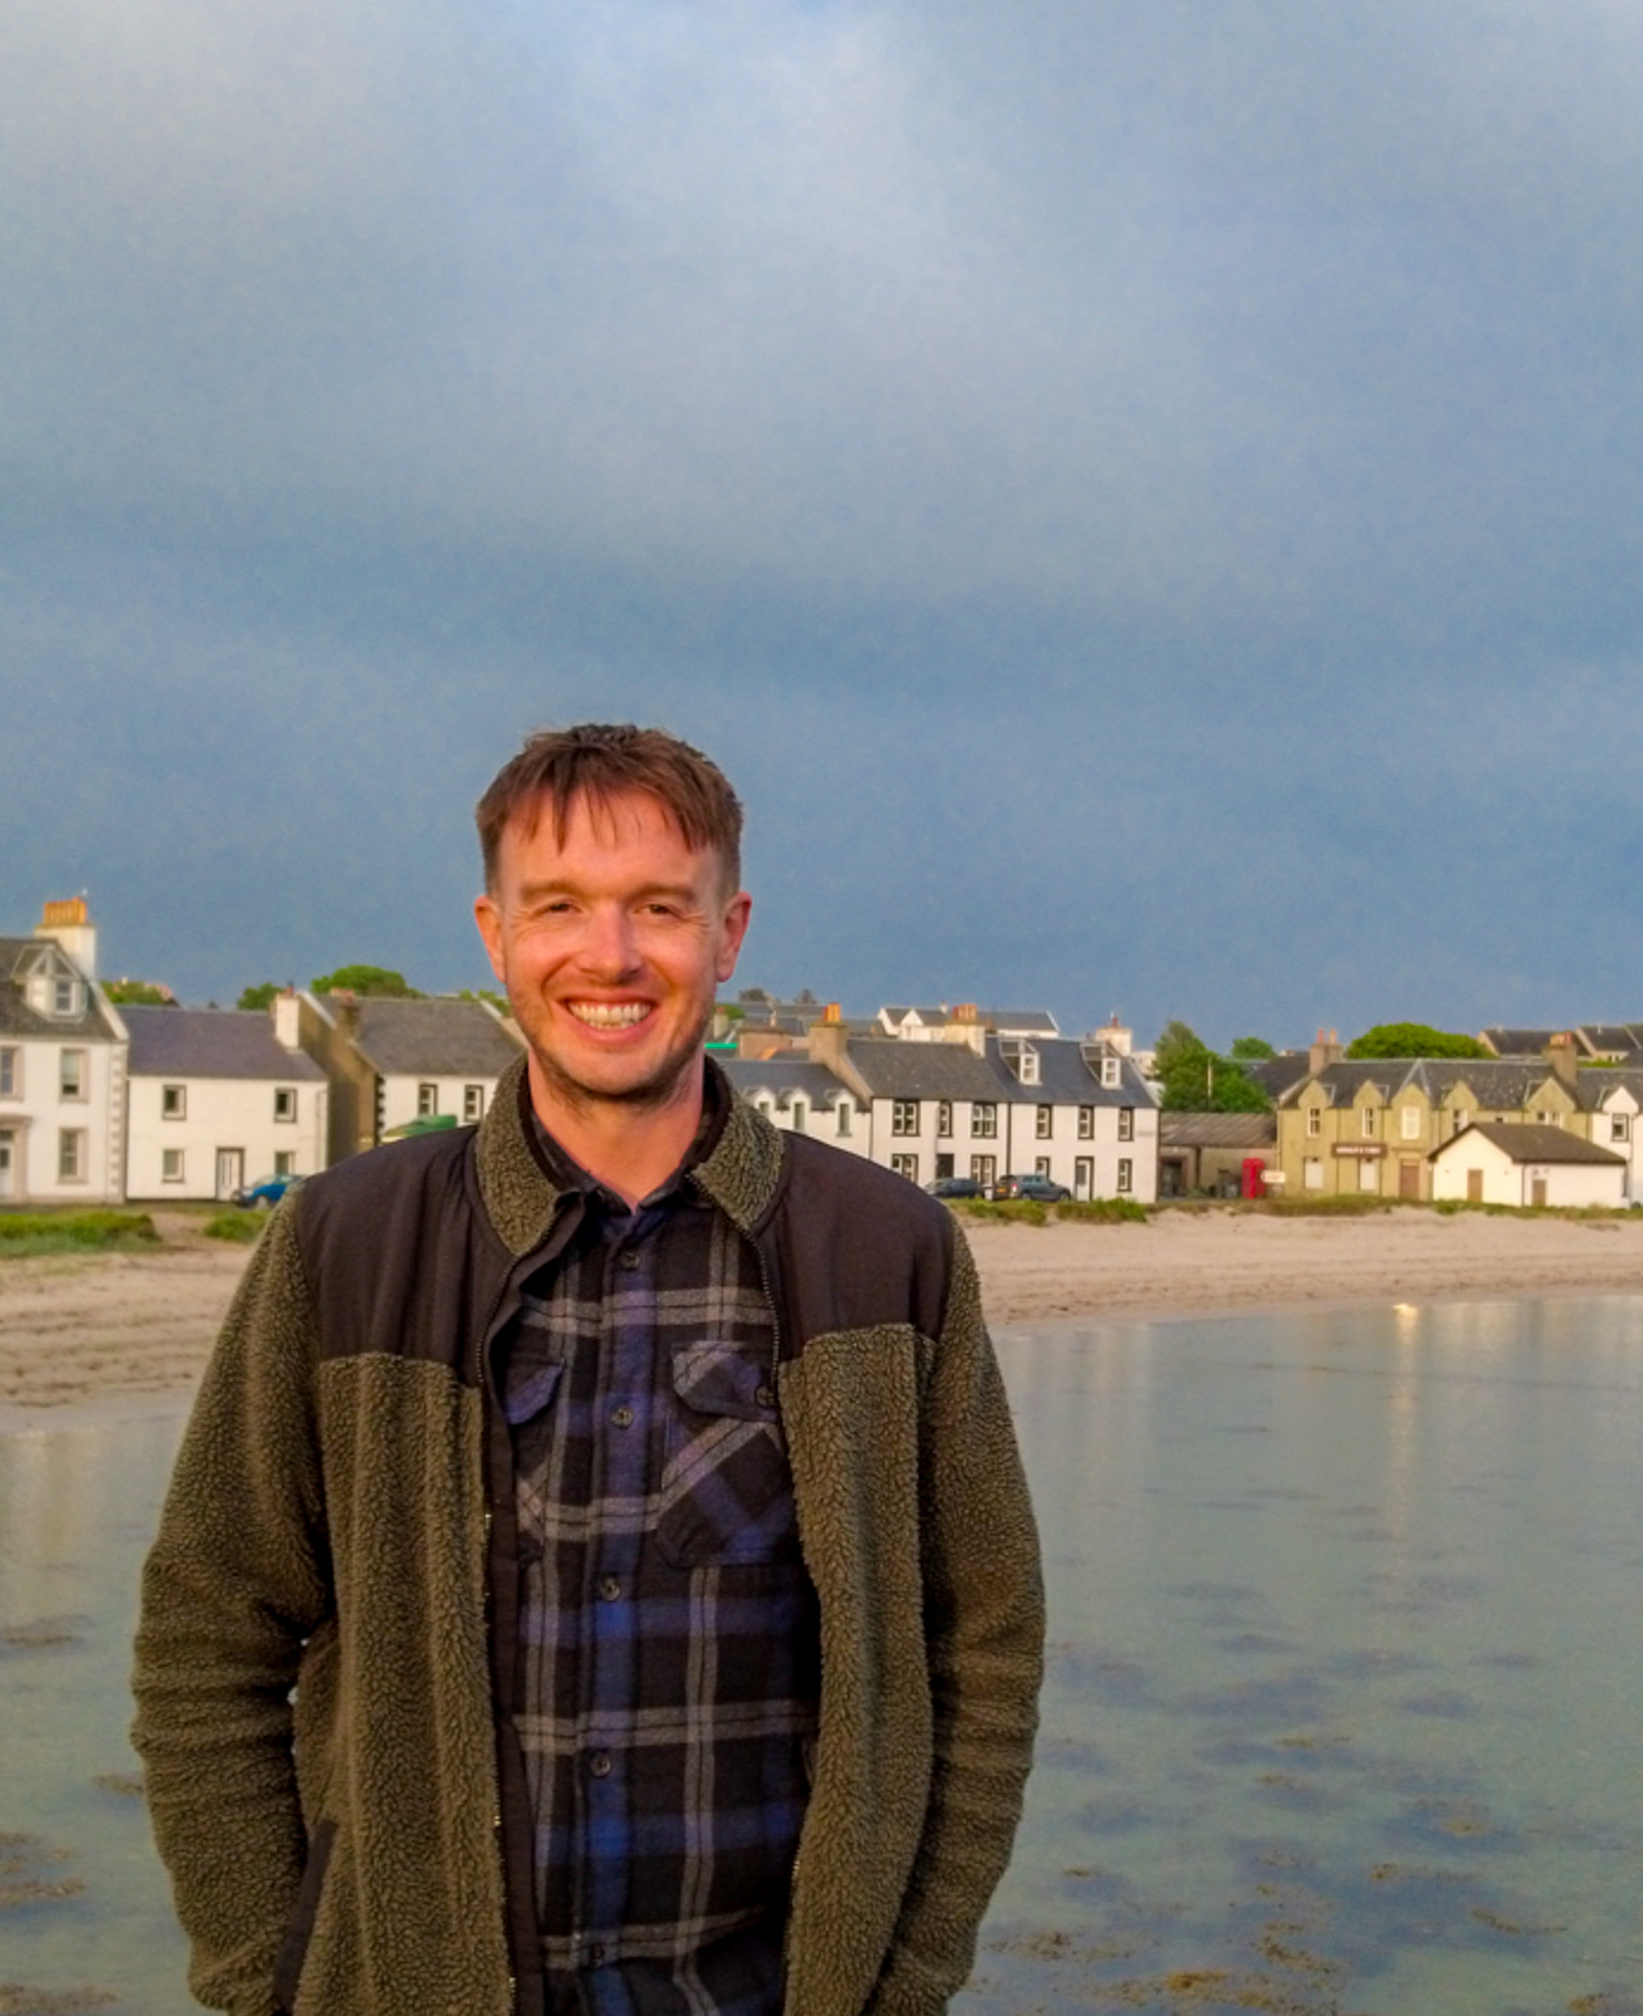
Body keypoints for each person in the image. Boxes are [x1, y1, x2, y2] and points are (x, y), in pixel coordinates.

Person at [132, 723, 1045, 2016]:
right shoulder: (343, 1246)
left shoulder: (887, 1255)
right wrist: (260, 1975)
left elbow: (984, 1648)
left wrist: (906, 1976)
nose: (609, 957)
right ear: (495, 932)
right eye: (558, 906)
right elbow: (208, 1636)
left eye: (658, 909)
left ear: (728, 933)